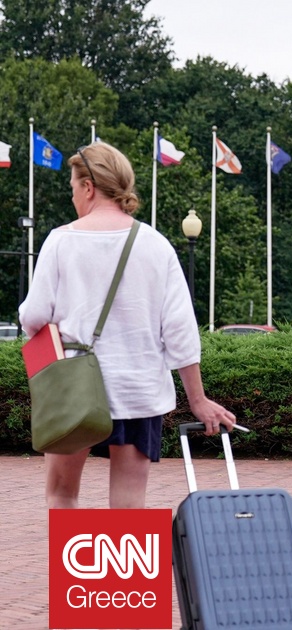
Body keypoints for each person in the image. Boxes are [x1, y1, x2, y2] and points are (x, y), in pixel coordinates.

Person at [20, 141, 236, 510]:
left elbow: (34, 317)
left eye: (73, 187)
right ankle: (125, 569)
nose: (73, 197)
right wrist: (197, 401)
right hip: (139, 389)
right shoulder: (156, 245)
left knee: (61, 494)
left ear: (88, 187)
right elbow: (181, 331)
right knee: (129, 504)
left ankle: (78, 568)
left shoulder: (61, 241)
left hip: (72, 390)